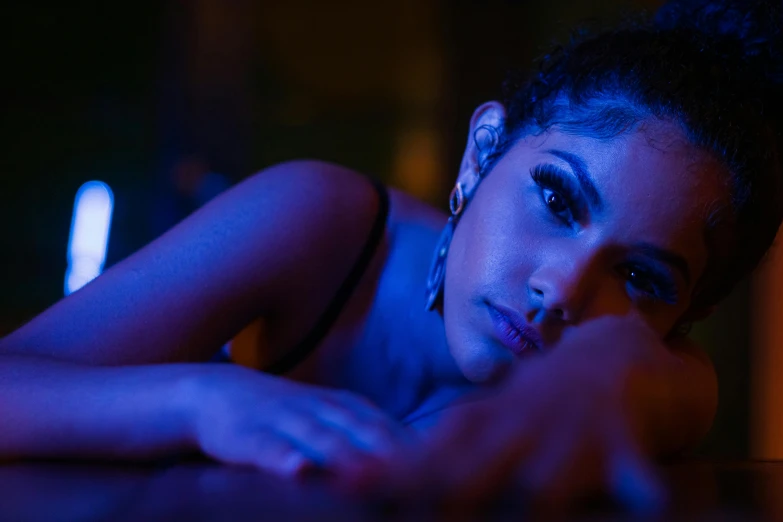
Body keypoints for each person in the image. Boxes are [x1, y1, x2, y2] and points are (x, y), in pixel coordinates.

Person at [1, 0, 781, 513]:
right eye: (556, 199)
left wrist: (610, 366)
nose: (561, 290)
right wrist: (202, 401)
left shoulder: (655, 374)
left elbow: (635, 372)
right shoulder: (320, 222)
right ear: (481, 154)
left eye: (640, 278)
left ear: (688, 317)